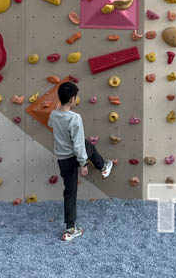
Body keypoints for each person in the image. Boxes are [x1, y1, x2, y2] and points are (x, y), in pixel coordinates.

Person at [48, 81, 113, 241]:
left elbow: (51, 124)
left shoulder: (53, 115)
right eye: (76, 97)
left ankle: (70, 229)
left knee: (70, 192)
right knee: (85, 145)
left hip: (62, 159)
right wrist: (83, 164)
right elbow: (77, 145)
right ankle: (102, 165)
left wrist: (57, 111)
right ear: (72, 99)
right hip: (74, 157)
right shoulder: (75, 118)